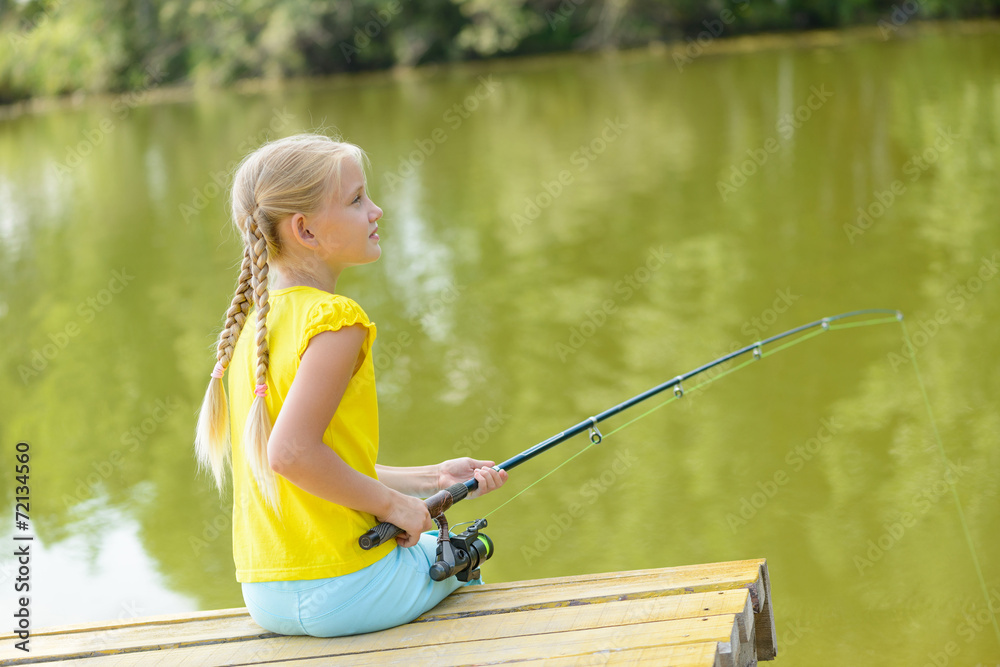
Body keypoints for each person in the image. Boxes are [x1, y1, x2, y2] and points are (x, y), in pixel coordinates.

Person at [193, 132, 507, 637]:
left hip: (266, 596)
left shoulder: (253, 331)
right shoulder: (336, 321)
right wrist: (395, 508)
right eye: (358, 199)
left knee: (441, 551)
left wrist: (430, 479)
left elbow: (321, 464)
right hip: (344, 588)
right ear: (306, 230)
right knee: (465, 556)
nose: (377, 210)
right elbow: (290, 454)